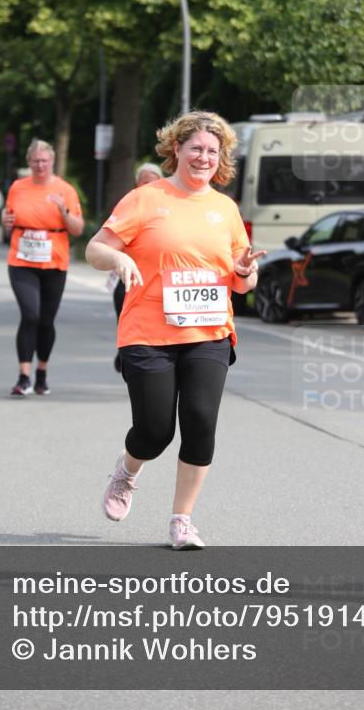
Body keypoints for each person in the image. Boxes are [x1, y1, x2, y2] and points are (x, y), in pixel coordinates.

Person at [86, 111, 264, 549]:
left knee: (201, 422)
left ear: (220, 158)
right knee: (154, 430)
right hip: (148, 333)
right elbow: (94, 249)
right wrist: (120, 258)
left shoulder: (225, 209)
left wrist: (245, 273)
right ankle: (127, 472)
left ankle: (182, 520)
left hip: (209, 333)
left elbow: (243, 277)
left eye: (212, 151)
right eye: (196, 148)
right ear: (177, 150)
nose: (203, 157)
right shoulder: (146, 198)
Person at [3, 140, 84, 396]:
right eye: (35, 161)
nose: (40, 165)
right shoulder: (18, 187)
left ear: (52, 162)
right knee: (30, 315)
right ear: (29, 162)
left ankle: (42, 373)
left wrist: (64, 212)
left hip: (54, 260)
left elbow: (78, 229)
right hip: (22, 259)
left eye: (44, 161)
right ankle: (23, 376)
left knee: (46, 321)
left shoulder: (65, 190)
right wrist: (5, 221)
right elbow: (8, 218)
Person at [109, 162, 163, 372]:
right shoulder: (128, 204)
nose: (149, 186)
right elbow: (110, 239)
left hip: (156, 280)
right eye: (145, 182)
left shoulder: (168, 208)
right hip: (128, 277)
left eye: (153, 182)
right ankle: (126, 351)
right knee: (128, 322)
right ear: (137, 183)